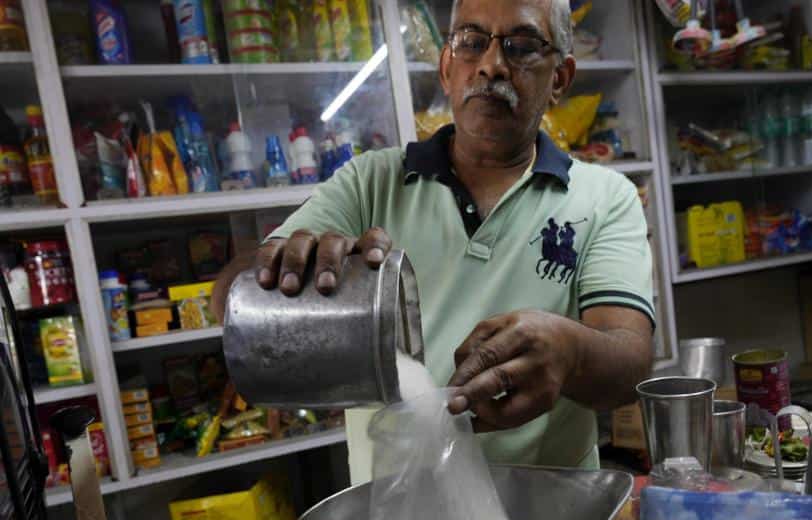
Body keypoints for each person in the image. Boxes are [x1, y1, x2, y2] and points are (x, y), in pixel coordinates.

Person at [213, 0, 654, 468]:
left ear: (560, 79)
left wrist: (571, 353)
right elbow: (230, 298)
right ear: (446, 68)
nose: (491, 65)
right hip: (396, 502)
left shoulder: (605, 196)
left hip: (550, 502)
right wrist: (280, 270)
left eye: (522, 46)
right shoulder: (370, 182)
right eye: (471, 41)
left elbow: (630, 362)